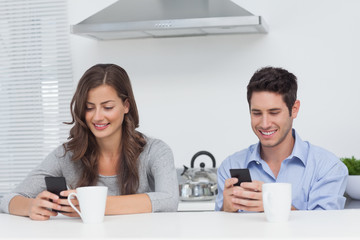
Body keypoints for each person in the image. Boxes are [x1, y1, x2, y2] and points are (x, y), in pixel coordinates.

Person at [0, 64, 179, 220]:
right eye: (89, 108)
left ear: (126, 106)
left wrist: (90, 206)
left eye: (107, 107)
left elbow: (169, 200)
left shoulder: (155, 151)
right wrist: (30, 207)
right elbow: (9, 199)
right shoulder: (67, 155)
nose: (97, 117)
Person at [215, 66, 348, 212]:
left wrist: (275, 205)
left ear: (294, 109)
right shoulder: (230, 166)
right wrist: (225, 212)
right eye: (257, 113)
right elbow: (221, 233)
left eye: (274, 112)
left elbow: (326, 230)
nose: (265, 124)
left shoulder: (328, 168)